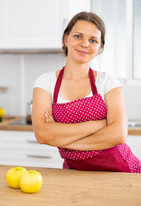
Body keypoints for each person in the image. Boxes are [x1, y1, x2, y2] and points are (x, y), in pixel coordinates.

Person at [32, 11, 141, 173]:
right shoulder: (46, 82)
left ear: (100, 47)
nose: (85, 44)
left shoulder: (107, 82)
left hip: (120, 172)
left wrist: (62, 140)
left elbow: (118, 134)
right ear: (65, 38)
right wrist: (98, 125)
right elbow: (42, 134)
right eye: (78, 36)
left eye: (93, 40)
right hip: (74, 173)